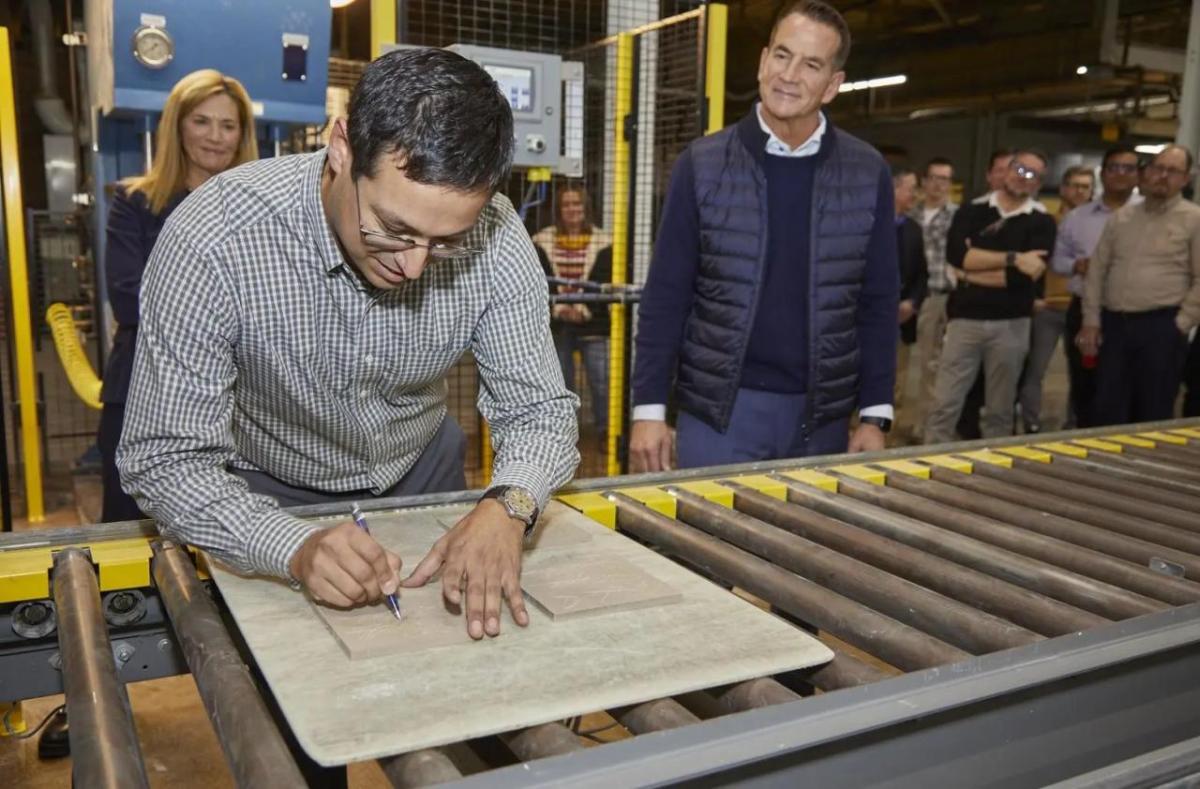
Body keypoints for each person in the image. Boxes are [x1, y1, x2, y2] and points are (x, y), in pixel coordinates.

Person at [117, 49, 580, 641]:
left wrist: (509, 505)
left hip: (424, 468)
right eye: (392, 228)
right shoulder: (214, 238)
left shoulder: (498, 234)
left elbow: (538, 410)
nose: (414, 266)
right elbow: (166, 459)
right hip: (270, 489)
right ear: (341, 149)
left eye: (446, 242)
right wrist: (288, 545)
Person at [627, 0, 899, 472]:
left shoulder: (867, 171)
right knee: (707, 543)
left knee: (812, 545)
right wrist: (648, 408)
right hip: (719, 415)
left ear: (833, 84)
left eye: (811, 64)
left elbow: (877, 301)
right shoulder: (702, 164)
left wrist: (875, 414)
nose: (789, 75)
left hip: (824, 419)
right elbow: (667, 295)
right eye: (781, 54)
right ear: (761, 60)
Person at [98, 69, 258, 523]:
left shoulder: (252, 211)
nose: (215, 137)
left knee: (222, 526)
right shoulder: (135, 202)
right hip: (138, 389)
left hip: (237, 397)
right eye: (202, 121)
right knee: (131, 528)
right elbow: (127, 299)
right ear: (177, 125)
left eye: (229, 126)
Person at [924, 150, 1056, 443]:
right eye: (1020, 169)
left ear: (1039, 183)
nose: (1024, 178)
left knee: (1000, 409)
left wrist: (972, 271)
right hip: (964, 322)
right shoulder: (972, 211)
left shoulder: (1042, 222)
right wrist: (1013, 257)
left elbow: (1024, 277)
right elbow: (958, 257)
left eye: (1033, 175)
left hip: (1011, 325)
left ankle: (994, 469)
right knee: (945, 402)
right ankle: (929, 463)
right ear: (1007, 170)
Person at [1078, 144, 1200, 426]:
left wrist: (1181, 324)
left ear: (1186, 178)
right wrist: (1091, 321)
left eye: (1172, 171)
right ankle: (1108, 468)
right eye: (1158, 168)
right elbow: (1097, 271)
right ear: (1146, 173)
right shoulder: (1122, 218)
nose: (1162, 176)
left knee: (1153, 410)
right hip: (1115, 326)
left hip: (1162, 328)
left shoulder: (1194, 219)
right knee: (1108, 408)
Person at [1050, 147, 1140, 428]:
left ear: (1138, 175)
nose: (1120, 174)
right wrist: (1077, 265)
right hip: (1084, 309)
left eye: (1128, 168)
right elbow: (1057, 261)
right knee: (1085, 382)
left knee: (1129, 383)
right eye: (1114, 167)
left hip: (1132, 311)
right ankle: (1085, 435)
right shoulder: (1078, 218)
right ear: (1103, 173)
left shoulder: (1149, 215)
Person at [1017, 164, 1095, 433]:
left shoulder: (1098, 226)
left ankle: (1074, 424)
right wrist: (1034, 298)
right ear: (1063, 189)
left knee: (1080, 372)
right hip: (1046, 309)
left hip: (1080, 307)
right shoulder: (1046, 222)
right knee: (1035, 371)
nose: (1080, 191)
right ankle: (1032, 423)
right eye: (1075, 185)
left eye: (1086, 187)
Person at [532, 185, 613, 437]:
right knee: (560, 384)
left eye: (577, 204)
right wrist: (560, 309)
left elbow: (604, 280)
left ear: (586, 208)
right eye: (566, 205)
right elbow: (539, 281)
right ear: (558, 210)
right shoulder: (541, 240)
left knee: (601, 383)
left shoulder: (604, 241)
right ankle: (565, 436)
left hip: (594, 324)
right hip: (557, 324)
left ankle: (606, 435)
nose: (572, 209)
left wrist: (582, 309)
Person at [909, 157, 957, 442]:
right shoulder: (911, 213)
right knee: (900, 364)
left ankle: (924, 425)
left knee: (932, 365)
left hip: (939, 295)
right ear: (924, 181)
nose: (939, 184)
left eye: (945, 179)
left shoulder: (957, 216)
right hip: (909, 296)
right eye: (934, 178)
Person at [892, 165, 928, 438]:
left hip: (901, 323)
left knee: (896, 384)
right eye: (910, 188)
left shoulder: (914, 229)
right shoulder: (867, 224)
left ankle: (886, 438)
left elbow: (921, 274)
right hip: (866, 320)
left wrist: (911, 303)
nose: (914, 194)